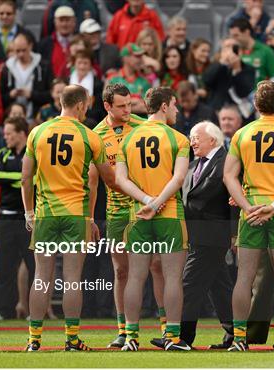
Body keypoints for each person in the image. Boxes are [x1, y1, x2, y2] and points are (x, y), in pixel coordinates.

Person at [22, 84, 118, 351]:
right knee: (73, 278)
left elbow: (26, 178)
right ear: (79, 105)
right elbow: (107, 179)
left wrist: (29, 212)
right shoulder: (88, 136)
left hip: (46, 214)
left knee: (42, 276)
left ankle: (34, 340)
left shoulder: (37, 132)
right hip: (75, 214)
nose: (87, 109)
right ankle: (72, 339)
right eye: (86, 105)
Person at [223, 81, 274, 352]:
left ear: (256, 106)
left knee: (244, 278)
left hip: (251, 211)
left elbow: (229, 176)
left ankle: (238, 338)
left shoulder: (242, 134)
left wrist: (247, 207)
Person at [88, 83, 167, 348]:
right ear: (107, 106)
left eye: (130, 104)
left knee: (156, 265)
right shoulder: (96, 135)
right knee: (121, 271)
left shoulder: (145, 125)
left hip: (148, 205)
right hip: (117, 210)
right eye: (121, 106)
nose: (127, 110)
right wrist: (89, 218)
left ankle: (166, 327)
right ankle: (123, 330)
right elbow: (93, 181)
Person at [115, 86, 191, 351]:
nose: (177, 110)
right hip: (169, 213)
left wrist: (146, 201)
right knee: (171, 277)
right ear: (164, 106)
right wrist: (158, 202)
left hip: (138, 214)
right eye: (175, 105)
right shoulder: (178, 139)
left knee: (135, 276)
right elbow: (179, 178)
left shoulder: (127, 139)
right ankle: (172, 337)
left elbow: (120, 180)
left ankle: (131, 336)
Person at [178, 120, 235, 349]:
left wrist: (235, 234)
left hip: (214, 236)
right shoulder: (193, 165)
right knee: (220, 287)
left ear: (212, 140)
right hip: (196, 235)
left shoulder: (227, 162)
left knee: (189, 284)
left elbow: (233, 200)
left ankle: (181, 337)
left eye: (196, 137)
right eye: (191, 137)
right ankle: (235, 333)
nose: (192, 141)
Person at [0, 117, 33, 320]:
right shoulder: (1, 154)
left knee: (34, 266)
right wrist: (21, 178)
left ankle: (34, 311)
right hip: (6, 219)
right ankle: (3, 311)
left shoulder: (32, 152)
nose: (6, 137)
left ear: (21, 133)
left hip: (30, 219)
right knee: (4, 268)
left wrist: (24, 179)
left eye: (9, 133)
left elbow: (36, 178)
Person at [0, 33, 52, 120]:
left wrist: (31, 94)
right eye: (17, 51)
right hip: (12, 118)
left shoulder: (43, 66)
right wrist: (10, 95)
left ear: (31, 46)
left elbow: (51, 94)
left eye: (24, 50)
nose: (21, 54)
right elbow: (0, 97)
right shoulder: (7, 68)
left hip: (36, 118)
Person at [202, 37, 255, 113]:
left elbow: (244, 92)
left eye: (234, 47)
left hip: (239, 110)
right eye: (227, 47)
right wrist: (222, 63)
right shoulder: (215, 65)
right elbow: (207, 81)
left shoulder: (248, 69)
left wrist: (237, 68)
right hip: (217, 109)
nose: (230, 52)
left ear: (240, 51)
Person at [229, 18, 274, 85]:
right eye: (231, 36)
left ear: (247, 32)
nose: (233, 39)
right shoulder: (233, 52)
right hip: (238, 94)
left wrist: (272, 94)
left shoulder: (265, 51)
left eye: (236, 35)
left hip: (259, 93)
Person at [107, 43, 150, 116]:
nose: (141, 60)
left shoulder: (145, 81)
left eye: (141, 56)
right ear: (126, 58)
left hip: (141, 125)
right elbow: (110, 106)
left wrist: (122, 104)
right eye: (137, 56)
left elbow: (147, 107)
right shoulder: (113, 80)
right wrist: (135, 101)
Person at [37, 6, 76, 78]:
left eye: (67, 20)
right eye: (61, 20)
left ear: (74, 22)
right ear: (55, 22)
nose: (64, 24)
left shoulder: (81, 43)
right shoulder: (44, 45)